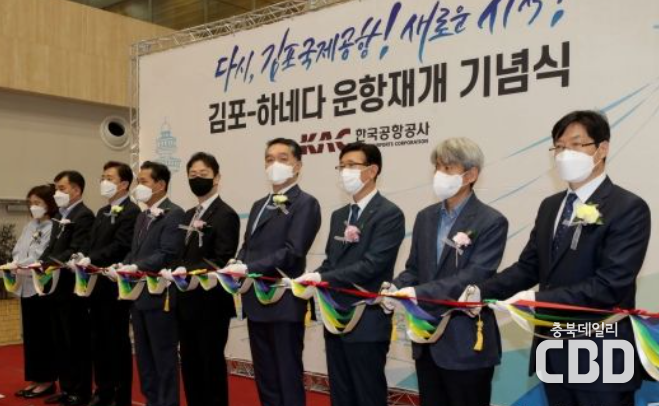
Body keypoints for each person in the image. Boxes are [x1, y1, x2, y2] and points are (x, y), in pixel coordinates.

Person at [461, 110, 652, 406]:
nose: (565, 154)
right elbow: (529, 267)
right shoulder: (550, 206)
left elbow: (610, 285)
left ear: (602, 149)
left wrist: (537, 301)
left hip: (601, 355)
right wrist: (480, 291)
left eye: (576, 144)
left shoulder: (628, 207)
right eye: (559, 147)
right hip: (553, 350)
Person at [386, 138, 508, 406]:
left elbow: (474, 276)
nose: (439, 174)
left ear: (471, 175)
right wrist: (395, 286)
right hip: (426, 340)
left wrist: (417, 292)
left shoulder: (491, 220)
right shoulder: (425, 217)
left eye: (448, 168)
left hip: (465, 345)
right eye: (437, 167)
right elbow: (415, 268)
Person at [297, 142, 405, 406]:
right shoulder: (339, 215)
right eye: (341, 166)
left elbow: (372, 265)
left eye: (351, 165)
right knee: (341, 393)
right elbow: (332, 262)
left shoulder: (389, 214)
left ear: (372, 170)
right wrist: (313, 277)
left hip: (367, 319)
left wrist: (323, 279)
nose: (345, 172)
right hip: (335, 317)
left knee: (367, 394)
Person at [222, 138, 321, 406]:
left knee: (287, 375)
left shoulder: (306, 203)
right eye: (269, 159)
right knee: (265, 377)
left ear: (297, 166)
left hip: (284, 302)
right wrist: (236, 261)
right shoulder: (258, 204)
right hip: (255, 301)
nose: (274, 164)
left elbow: (293, 251)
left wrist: (249, 267)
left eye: (282, 158)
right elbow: (248, 245)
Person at [175, 152, 240, 406]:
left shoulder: (225, 214)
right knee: (190, 364)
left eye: (203, 174)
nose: (197, 179)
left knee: (210, 365)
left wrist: (188, 271)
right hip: (185, 301)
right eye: (192, 174)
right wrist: (175, 269)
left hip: (211, 303)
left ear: (217, 178)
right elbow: (180, 253)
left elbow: (222, 258)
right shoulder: (188, 214)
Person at [75, 161, 140, 406]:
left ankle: (120, 395)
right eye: (102, 177)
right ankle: (103, 389)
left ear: (124, 184)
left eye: (109, 178)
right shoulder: (103, 211)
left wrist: (93, 259)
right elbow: (91, 242)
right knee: (98, 340)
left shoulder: (131, 211)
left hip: (114, 285)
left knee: (116, 341)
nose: (104, 182)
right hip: (95, 284)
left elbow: (121, 245)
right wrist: (82, 256)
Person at [121, 161, 184, 406]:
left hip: (159, 297)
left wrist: (137, 267)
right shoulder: (142, 215)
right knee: (144, 358)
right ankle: (152, 400)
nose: (139, 186)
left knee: (163, 357)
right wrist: (123, 265)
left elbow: (168, 253)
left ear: (160, 185)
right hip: (138, 297)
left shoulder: (174, 213)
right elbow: (135, 250)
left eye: (143, 181)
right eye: (138, 181)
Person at [40, 171, 95, 406]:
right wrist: (41, 262)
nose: (57, 193)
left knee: (76, 341)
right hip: (55, 287)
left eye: (62, 188)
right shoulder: (58, 216)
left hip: (72, 288)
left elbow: (76, 247)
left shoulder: (84, 215)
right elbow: (51, 246)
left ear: (76, 190)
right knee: (60, 341)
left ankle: (81, 391)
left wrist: (51, 262)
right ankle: (66, 388)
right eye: (56, 189)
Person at [8, 184, 58, 400]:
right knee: (30, 335)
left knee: (43, 335)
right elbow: (18, 248)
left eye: (37, 202)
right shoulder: (30, 225)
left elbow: (42, 254)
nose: (33, 207)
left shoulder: (53, 226)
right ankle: (35, 379)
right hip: (25, 285)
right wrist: (15, 262)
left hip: (42, 285)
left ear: (49, 204)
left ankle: (47, 381)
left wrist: (23, 264)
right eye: (31, 203)